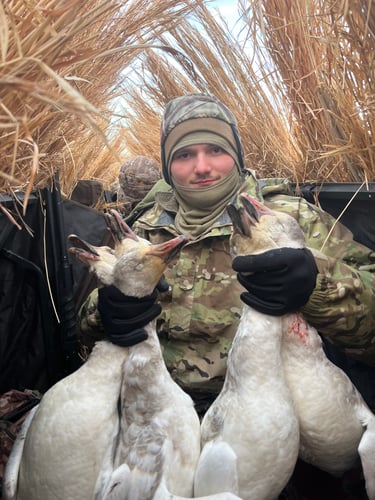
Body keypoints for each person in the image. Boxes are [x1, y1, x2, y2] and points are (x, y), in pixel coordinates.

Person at [78, 92, 375, 497]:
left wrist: (315, 282)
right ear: (168, 165)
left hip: (269, 429)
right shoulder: (142, 232)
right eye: (185, 155)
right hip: (160, 424)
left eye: (215, 150)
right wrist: (106, 311)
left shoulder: (292, 217)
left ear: (235, 153)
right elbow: (83, 335)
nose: (202, 168)